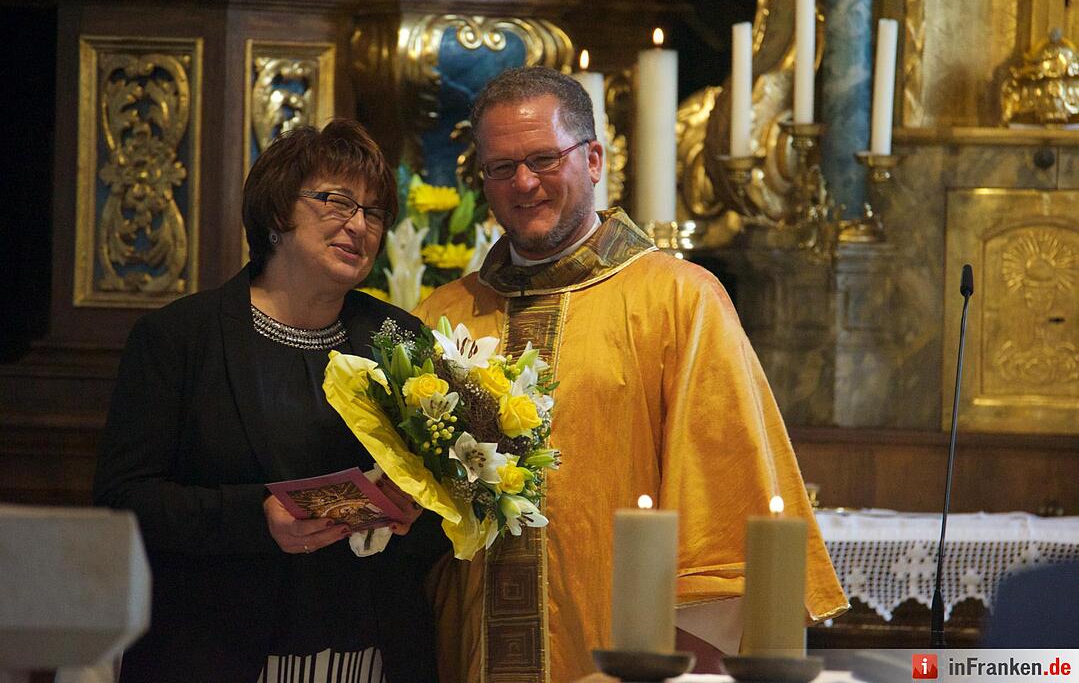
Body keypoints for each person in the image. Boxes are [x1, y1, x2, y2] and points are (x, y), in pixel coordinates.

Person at [413, 67, 849, 683]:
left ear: (593, 160)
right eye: (501, 167)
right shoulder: (442, 316)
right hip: (468, 653)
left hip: (619, 658)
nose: (524, 183)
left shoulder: (680, 301)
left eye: (543, 158)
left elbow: (725, 510)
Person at [94, 119, 446, 683]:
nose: (359, 225)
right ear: (278, 212)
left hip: (371, 651)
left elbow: (448, 499)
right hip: (215, 650)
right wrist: (256, 518)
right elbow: (123, 501)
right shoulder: (181, 338)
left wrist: (419, 511)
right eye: (337, 201)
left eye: (375, 212)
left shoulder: (400, 339)